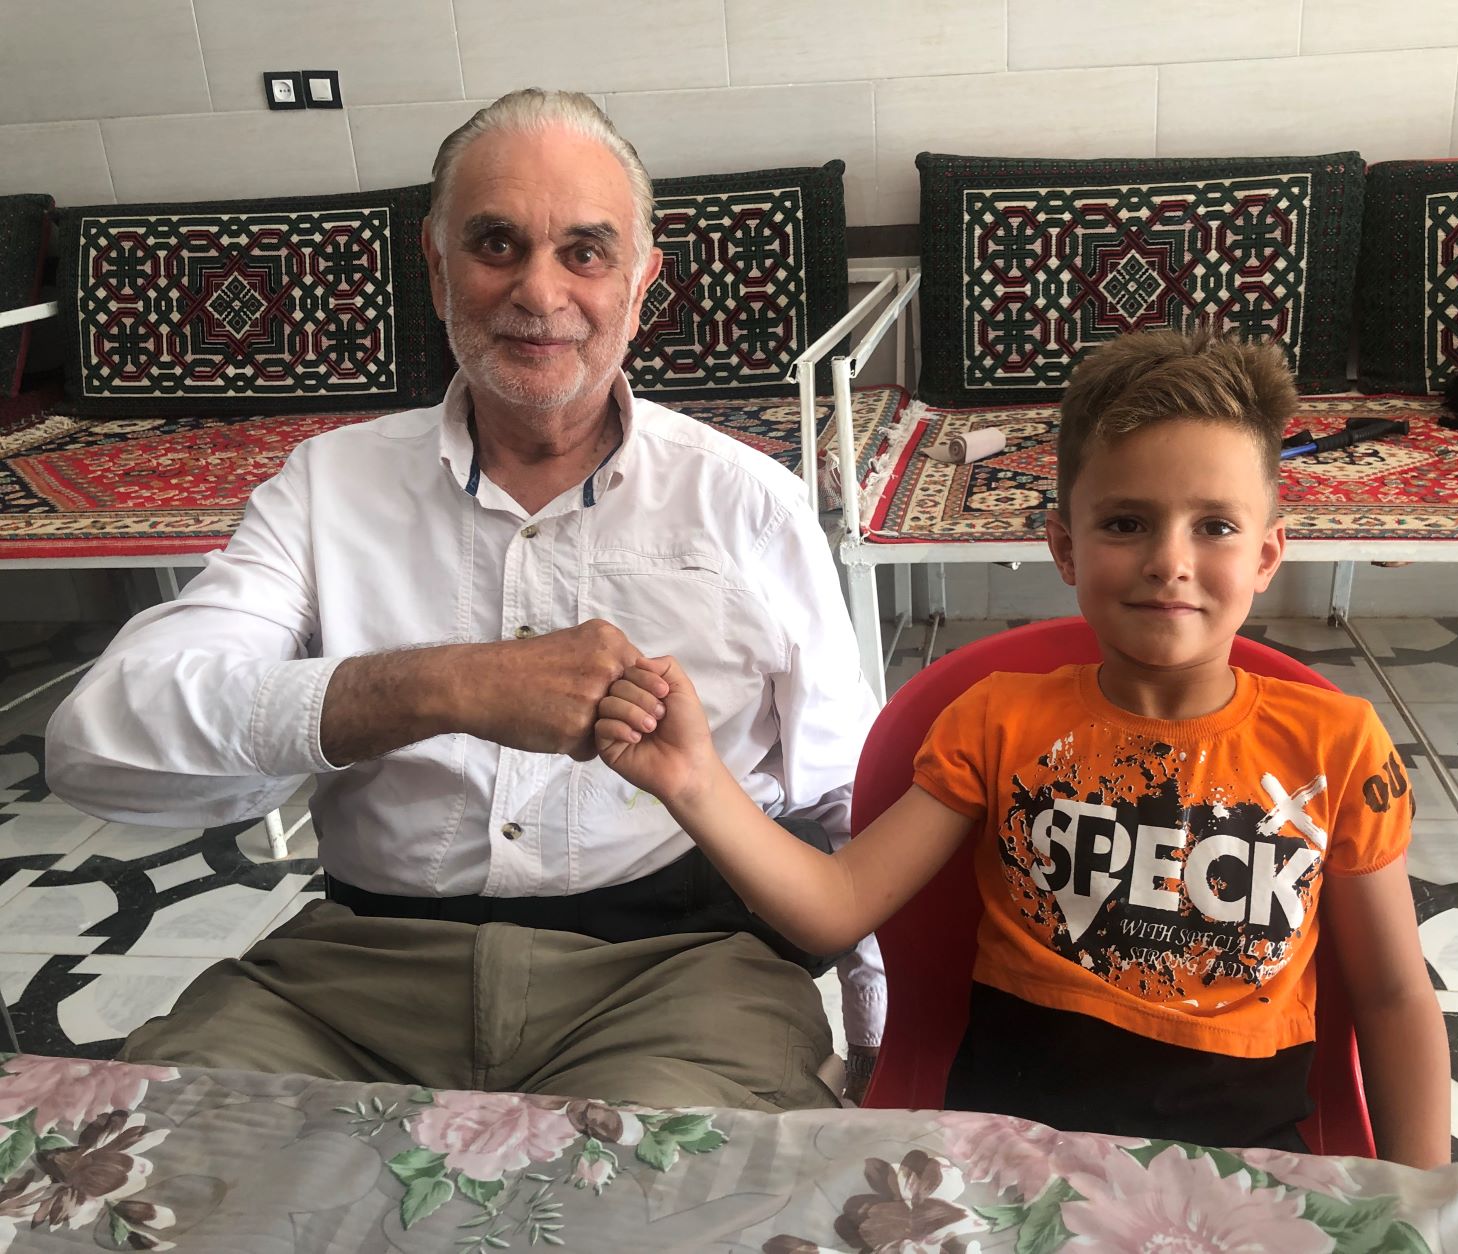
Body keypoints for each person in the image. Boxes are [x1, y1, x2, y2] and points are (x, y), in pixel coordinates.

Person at [45, 88, 885, 1110]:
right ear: (437, 265)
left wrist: (888, 1046)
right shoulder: (327, 488)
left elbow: (847, 800)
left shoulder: (747, 502)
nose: (539, 292)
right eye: (496, 244)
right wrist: (444, 686)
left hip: (676, 975)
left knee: (675, 1204)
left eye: (584, 251)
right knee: (138, 1172)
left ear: (639, 281)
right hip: (352, 980)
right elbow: (99, 742)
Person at [592, 327, 1452, 1165]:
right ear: (1064, 547)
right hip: (1007, 1156)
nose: (1169, 560)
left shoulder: (1340, 747)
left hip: (1245, 1165)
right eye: (1126, 523)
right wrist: (696, 781)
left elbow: (1391, 995)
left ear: (1267, 555)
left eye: (1215, 527)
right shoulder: (997, 721)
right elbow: (838, 902)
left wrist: (1427, 1202)